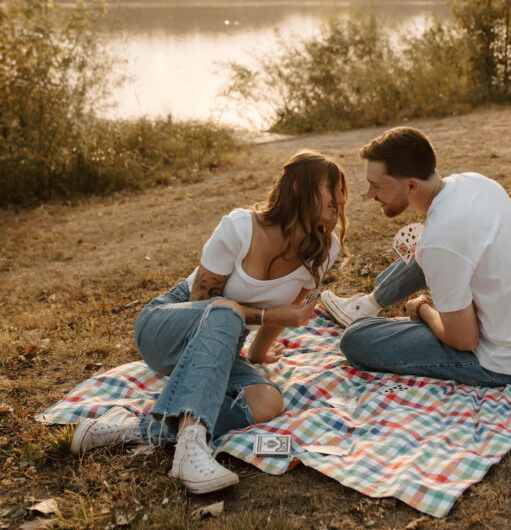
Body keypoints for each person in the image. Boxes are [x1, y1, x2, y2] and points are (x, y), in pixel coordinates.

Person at [71, 150, 347, 493]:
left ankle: (133, 429)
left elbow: (288, 304)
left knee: (267, 401)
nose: (340, 198)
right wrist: (268, 316)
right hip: (167, 324)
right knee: (226, 310)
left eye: (342, 190)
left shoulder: (324, 247)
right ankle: (189, 448)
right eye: (331, 188)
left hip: (221, 345)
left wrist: (259, 352)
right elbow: (204, 306)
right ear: (297, 188)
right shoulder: (241, 227)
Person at [320, 127, 511, 387]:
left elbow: (463, 340)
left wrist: (423, 309)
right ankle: (368, 304)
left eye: (376, 186)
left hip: (507, 363)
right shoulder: (476, 182)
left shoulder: (440, 240)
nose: (370, 195)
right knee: (426, 247)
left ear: (412, 185)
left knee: (356, 338)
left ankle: (365, 313)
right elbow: (443, 246)